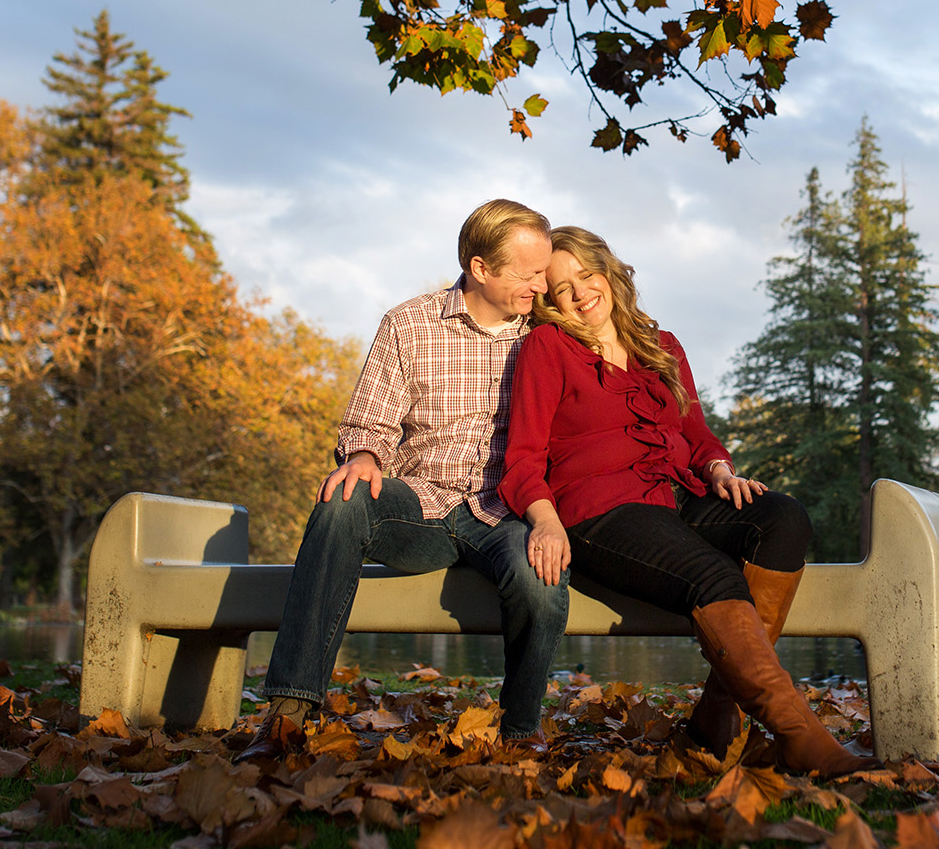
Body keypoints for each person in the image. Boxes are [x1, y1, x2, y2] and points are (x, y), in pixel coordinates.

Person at [499, 226, 873, 777]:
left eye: (586, 275)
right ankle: (802, 739)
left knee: (783, 519)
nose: (580, 293)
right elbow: (523, 457)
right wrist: (545, 520)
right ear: (551, 304)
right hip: (600, 510)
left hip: (677, 495)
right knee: (714, 576)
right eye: (561, 289)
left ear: (608, 271)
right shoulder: (548, 347)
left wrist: (720, 470)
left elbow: (695, 434)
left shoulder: (662, 345)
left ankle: (715, 717)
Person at [250, 198, 570, 754]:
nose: (542, 286)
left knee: (537, 574)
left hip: (507, 510)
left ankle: (521, 733)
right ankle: (287, 717)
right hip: (421, 505)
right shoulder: (409, 323)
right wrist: (364, 457)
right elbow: (369, 422)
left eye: (544, 272)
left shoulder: (548, 331)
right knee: (342, 501)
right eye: (529, 274)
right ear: (480, 268)